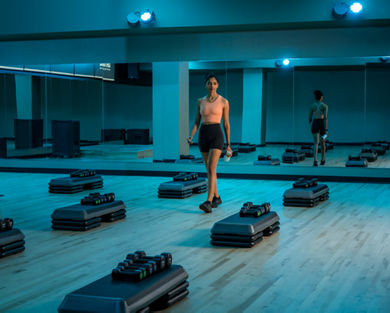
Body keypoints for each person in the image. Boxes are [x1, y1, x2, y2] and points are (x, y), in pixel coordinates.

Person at [187, 73, 232, 213]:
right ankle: (217, 197)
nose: (211, 85)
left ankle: (208, 201)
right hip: (203, 135)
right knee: (208, 169)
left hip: (216, 134)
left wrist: (229, 144)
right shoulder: (200, 101)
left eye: (214, 83)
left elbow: (226, 123)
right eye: (209, 83)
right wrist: (191, 135)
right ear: (206, 85)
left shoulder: (224, 101)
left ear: (217, 85)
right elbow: (196, 121)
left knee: (212, 168)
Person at [309, 90, 328, 166]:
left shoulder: (312, 106)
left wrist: (312, 125)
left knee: (315, 143)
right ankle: (323, 160)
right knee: (323, 142)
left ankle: (315, 160)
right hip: (322, 124)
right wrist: (326, 130)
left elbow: (310, 118)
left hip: (315, 123)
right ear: (321, 97)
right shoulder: (324, 106)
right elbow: (325, 118)